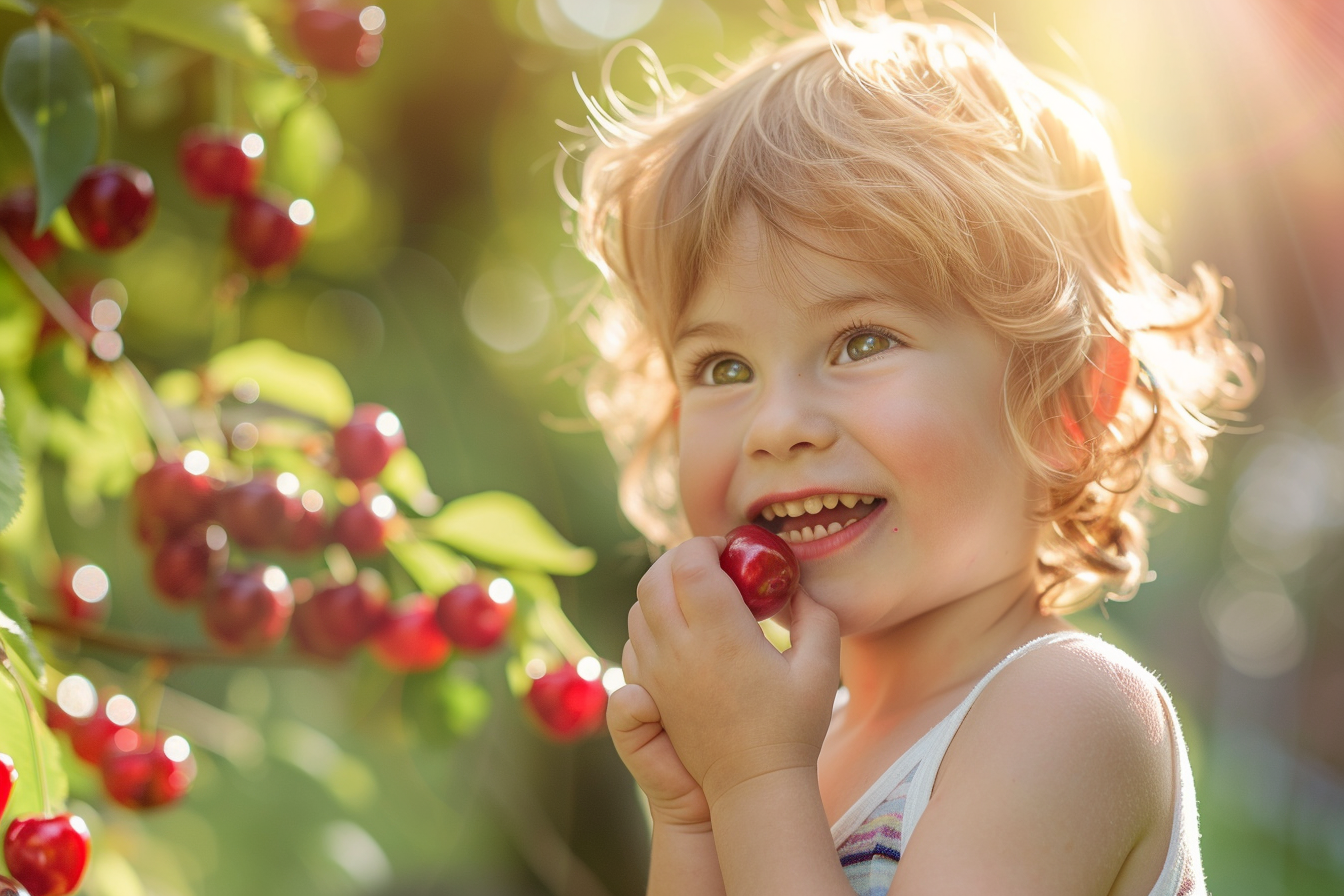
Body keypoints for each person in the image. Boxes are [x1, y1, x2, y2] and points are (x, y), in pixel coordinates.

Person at [564, 6, 1261, 894]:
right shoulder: (785, 751)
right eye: (723, 364)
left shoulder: (1065, 709)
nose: (776, 425)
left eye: (861, 341)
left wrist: (747, 783)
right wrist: (694, 807)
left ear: (1069, 402)